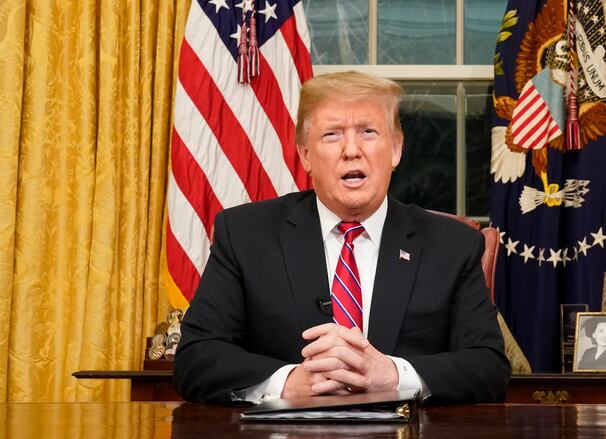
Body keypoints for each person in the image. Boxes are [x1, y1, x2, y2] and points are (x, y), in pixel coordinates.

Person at [173, 71, 511, 405]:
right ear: (305, 155)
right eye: (332, 134)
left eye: (368, 132)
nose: (351, 150)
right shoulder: (245, 235)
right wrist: (289, 384)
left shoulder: (453, 246)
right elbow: (196, 358)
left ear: (396, 149)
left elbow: (487, 366)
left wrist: (393, 376)